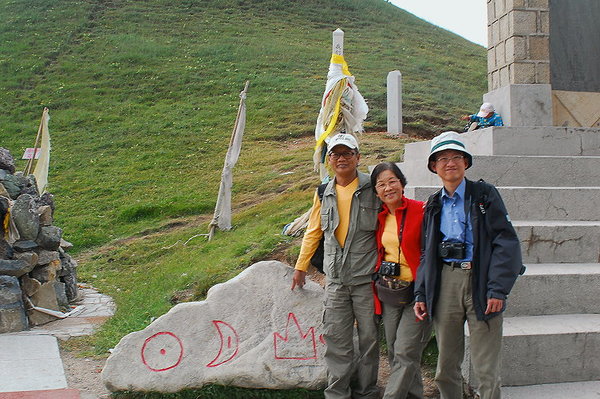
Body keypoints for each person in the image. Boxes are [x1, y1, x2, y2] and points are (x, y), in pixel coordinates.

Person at [413, 131, 523, 399]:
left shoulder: (484, 195)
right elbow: (427, 253)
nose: (450, 163)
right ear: (433, 166)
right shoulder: (433, 204)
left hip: (481, 280)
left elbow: (506, 242)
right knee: (446, 366)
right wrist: (421, 292)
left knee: (486, 368)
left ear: (466, 162)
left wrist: (497, 289)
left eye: (456, 157)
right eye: (443, 158)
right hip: (446, 281)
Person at [291, 133, 380, 399]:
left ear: (358, 157)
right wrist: (300, 266)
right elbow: (313, 232)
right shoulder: (323, 192)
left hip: (367, 279)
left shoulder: (373, 187)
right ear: (329, 160)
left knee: (369, 340)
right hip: (337, 280)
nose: (341, 158)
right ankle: (337, 394)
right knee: (336, 339)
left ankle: (366, 392)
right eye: (336, 154)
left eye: (347, 153)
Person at [371, 162, 432, 399]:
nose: (388, 188)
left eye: (392, 181)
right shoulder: (380, 217)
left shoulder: (422, 210)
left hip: (418, 292)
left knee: (405, 351)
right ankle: (414, 395)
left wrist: (426, 290)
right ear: (376, 192)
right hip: (390, 291)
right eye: (381, 184)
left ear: (403, 184)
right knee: (398, 352)